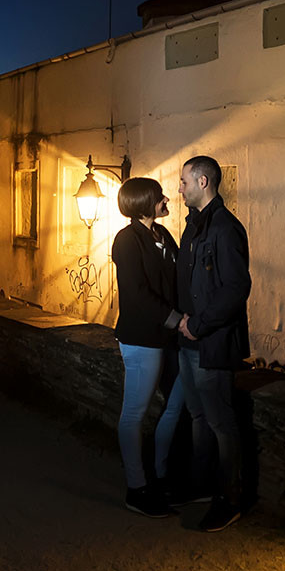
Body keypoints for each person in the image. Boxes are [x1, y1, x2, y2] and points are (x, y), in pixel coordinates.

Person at [175, 155, 251, 532]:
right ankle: (201, 486)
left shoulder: (224, 228)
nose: (179, 188)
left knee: (221, 422)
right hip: (190, 341)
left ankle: (229, 499)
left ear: (203, 182)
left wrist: (199, 324)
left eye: (184, 181)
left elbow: (236, 289)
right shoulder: (194, 226)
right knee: (200, 416)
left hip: (212, 342)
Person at [112, 177, 185, 518]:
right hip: (142, 338)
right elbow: (137, 293)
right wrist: (176, 319)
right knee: (134, 413)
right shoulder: (126, 241)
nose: (166, 199)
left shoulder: (163, 235)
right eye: (159, 196)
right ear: (143, 202)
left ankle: (160, 475)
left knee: (175, 404)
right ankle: (137, 488)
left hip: (169, 337)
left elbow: (178, 278)